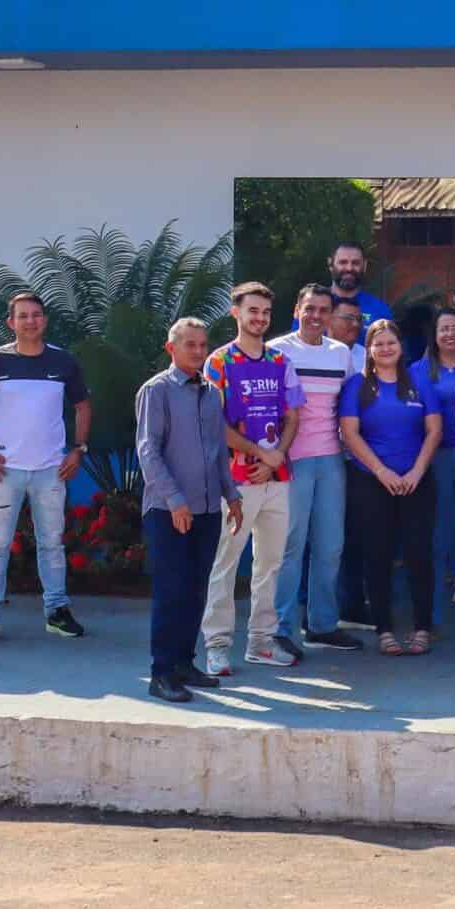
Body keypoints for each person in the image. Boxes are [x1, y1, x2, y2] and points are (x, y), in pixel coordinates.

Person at [0, 291, 92, 643]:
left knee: (52, 544)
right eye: (23, 316)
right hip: (4, 470)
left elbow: (83, 406)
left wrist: (78, 450)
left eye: (36, 315)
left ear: (44, 320)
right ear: (11, 322)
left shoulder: (63, 362)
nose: (30, 321)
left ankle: (57, 611)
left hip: (51, 470)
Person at [132, 317, 239, 701]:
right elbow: (148, 451)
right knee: (171, 591)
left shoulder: (211, 393)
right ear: (171, 348)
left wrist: (232, 495)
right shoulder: (156, 391)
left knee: (196, 590)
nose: (198, 351)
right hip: (170, 511)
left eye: (202, 345)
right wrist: (175, 500)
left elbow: (217, 450)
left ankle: (183, 663)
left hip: (208, 509)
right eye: (189, 344)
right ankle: (161, 672)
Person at [202, 283, 303, 673]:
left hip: (277, 478)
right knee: (225, 563)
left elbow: (292, 417)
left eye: (265, 312)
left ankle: (261, 642)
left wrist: (275, 457)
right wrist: (262, 454)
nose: (259, 318)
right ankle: (216, 645)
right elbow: (214, 423)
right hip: (235, 482)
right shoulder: (219, 362)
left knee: (270, 564)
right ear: (236, 313)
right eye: (253, 310)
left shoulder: (280, 361)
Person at [338, 317, 442, 657]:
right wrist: (381, 471)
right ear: (369, 349)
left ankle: (422, 628)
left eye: (391, 343)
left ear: (401, 347)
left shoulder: (419, 382)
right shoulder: (357, 385)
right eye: (378, 343)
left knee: (418, 555)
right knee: (377, 555)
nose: (385, 349)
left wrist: (417, 471)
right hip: (371, 482)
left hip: (416, 481)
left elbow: (434, 430)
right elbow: (350, 433)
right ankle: (384, 629)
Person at [269, 284, 361, 653]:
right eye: (310, 308)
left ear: (331, 315)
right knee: (289, 547)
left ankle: (322, 625)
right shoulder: (277, 351)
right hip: (290, 460)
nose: (316, 316)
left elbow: (348, 407)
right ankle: (280, 628)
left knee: (330, 546)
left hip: (331, 459)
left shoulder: (341, 354)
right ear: (297, 310)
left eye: (323, 310)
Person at [414, 310, 455, 615]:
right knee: (441, 521)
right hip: (434, 454)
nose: (450, 334)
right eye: (444, 329)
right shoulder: (418, 370)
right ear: (435, 334)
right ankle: (438, 589)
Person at [328, 242, 394, 329]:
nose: (349, 268)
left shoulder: (379, 310)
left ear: (365, 265)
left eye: (355, 263)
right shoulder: (316, 305)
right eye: (343, 262)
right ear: (330, 264)